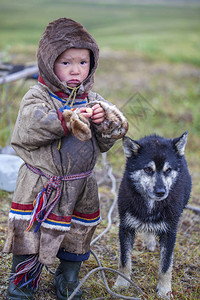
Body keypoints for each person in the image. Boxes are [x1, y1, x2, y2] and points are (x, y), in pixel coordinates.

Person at [3, 18, 128, 300]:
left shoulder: (92, 99)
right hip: (41, 184)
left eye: (83, 63)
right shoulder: (38, 96)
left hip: (80, 185)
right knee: (31, 233)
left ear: (92, 64)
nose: (75, 70)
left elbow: (104, 143)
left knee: (77, 232)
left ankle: (68, 277)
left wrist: (104, 121)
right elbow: (30, 127)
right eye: (66, 62)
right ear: (49, 63)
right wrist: (67, 118)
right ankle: (23, 279)